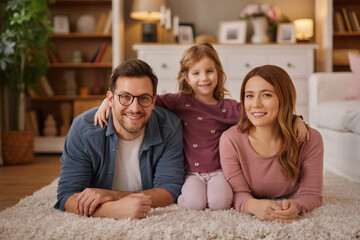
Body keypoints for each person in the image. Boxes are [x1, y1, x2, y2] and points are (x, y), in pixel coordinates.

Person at [95, 43, 309, 211]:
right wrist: (109, 101)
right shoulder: (179, 101)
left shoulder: (227, 108)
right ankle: (192, 195)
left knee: (220, 203)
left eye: (209, 71)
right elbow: (142, 98)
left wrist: (295, 118)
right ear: (186, 77)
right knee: (194, 203)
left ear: (218, 73)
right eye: (196, 73)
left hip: (218, 172)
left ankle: (214, 195)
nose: (204, 78)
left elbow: (260, 110)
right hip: (190, 173)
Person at [54, 59, 185, 220]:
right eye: (125, 97)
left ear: (153, 102)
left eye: (144, 98)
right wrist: (111, 210)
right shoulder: (83, 129)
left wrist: (111, 195)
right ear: (110, 99)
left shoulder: (170, 127)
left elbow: (169, 189)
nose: (135, 108)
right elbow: (67, 196)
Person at [219, 65, 324, 223]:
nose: (255, 104)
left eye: (266, 95)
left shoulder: (310, 139)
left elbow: (312, 195)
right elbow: (239, 193)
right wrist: (252, 205)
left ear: (284, 98)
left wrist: (296, 206)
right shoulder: (230, 140)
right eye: (249, 96)